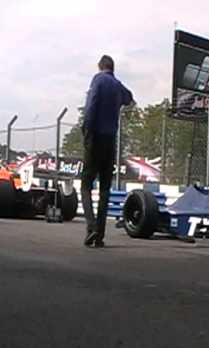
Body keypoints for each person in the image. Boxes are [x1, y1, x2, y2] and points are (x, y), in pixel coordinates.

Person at [81, 55, 134, 248]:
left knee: (86, 185)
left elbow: (91, 106)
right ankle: (100, 236)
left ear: (100, 67)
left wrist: (86, 132)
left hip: (95, 137)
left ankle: (91, 226)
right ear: (112, 68)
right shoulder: (117, 84)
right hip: (110, 140)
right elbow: (129, 97)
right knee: (105, 188)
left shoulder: (98, 80)